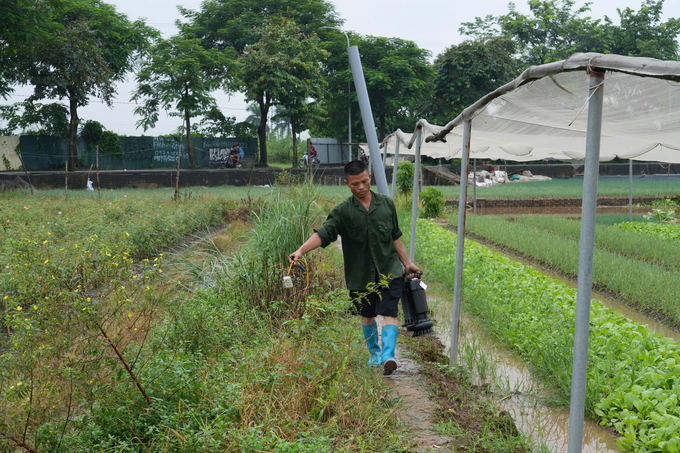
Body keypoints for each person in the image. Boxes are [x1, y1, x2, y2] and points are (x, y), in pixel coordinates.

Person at [288, 160, 419, 376]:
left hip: (389, 270)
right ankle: (374, 354)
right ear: (347, 184)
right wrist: (301, 251)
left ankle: (388, 356)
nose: (361, 187)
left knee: (390, 311)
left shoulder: (386, 204)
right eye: (355, 184)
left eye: (365, 181)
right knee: (367, 315)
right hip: (360, 274)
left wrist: (407, 263)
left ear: (370, 178)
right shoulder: (342, 212)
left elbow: (395, 236)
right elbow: (324, 233)